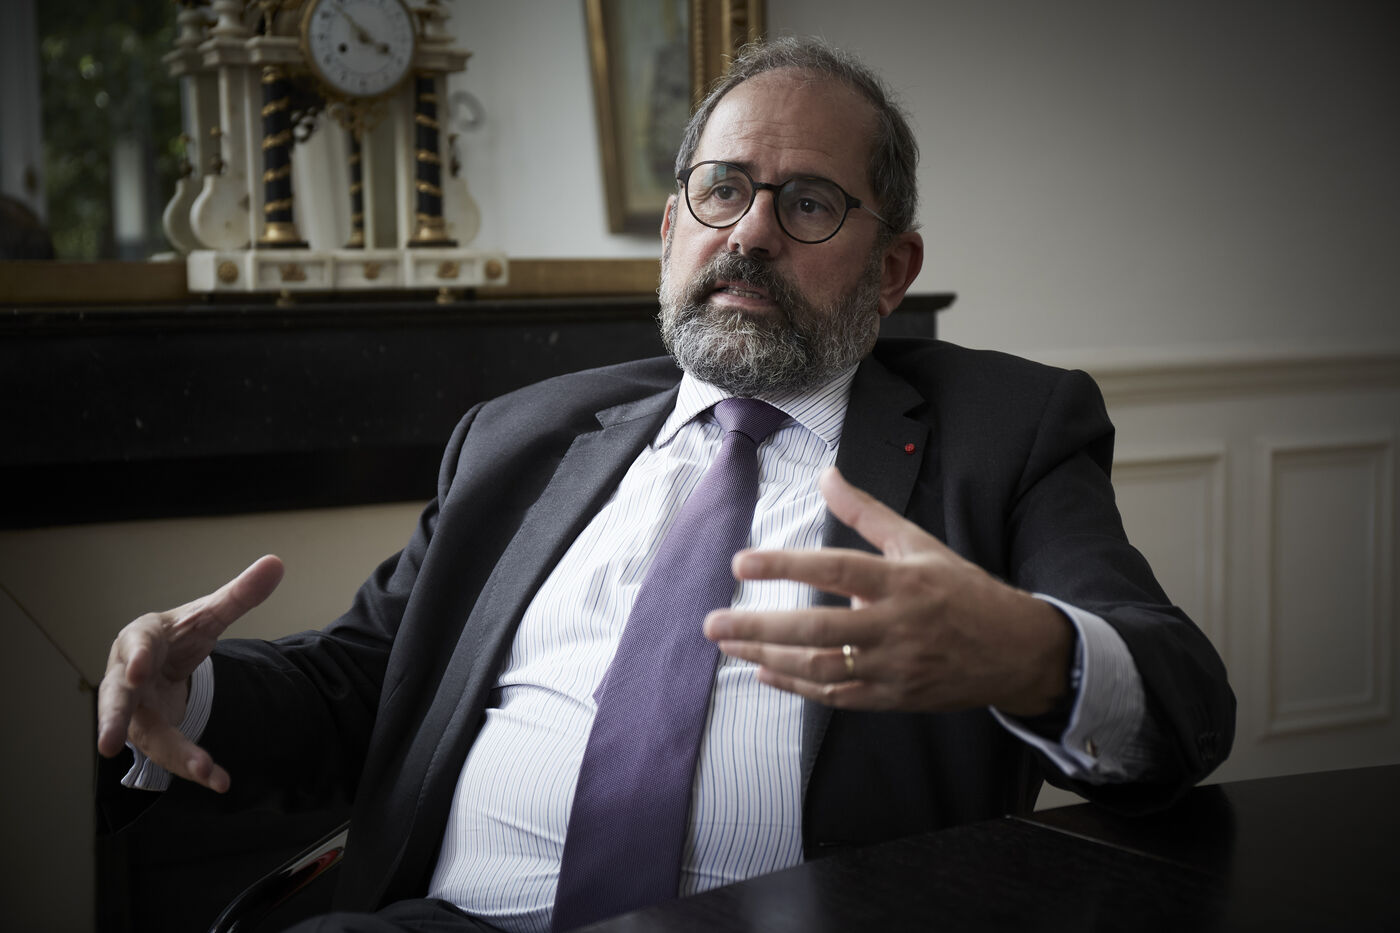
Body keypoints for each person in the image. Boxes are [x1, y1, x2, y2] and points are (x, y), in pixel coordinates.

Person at [97, 37, 1234, 933]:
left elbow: (1182, 701)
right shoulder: (522, 435)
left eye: (808, 203)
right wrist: (190, 691)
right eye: (721, 189)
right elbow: (367, 682)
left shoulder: (1006, 432)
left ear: (893, 270)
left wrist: (1034, 654)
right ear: (670, 231)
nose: (751, 232)